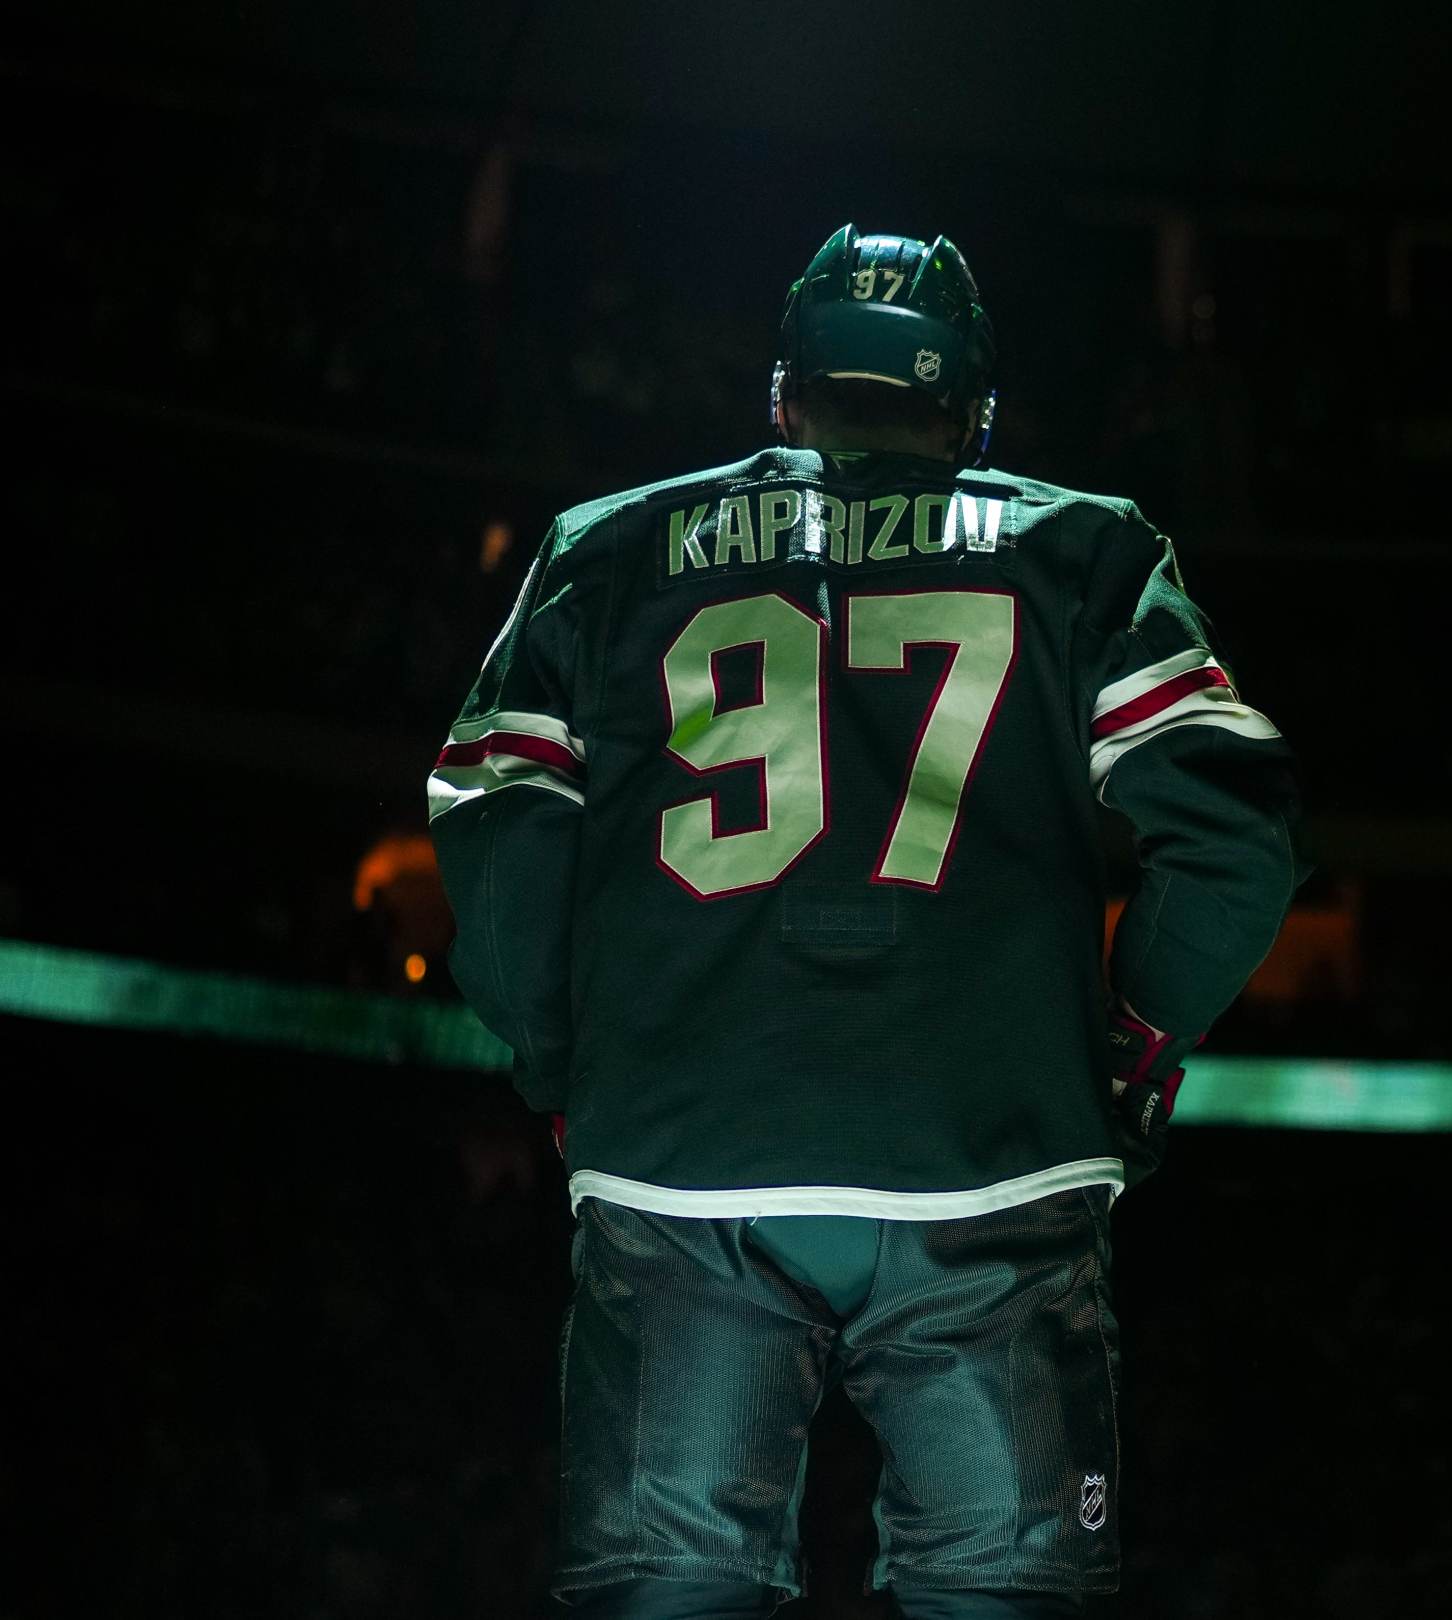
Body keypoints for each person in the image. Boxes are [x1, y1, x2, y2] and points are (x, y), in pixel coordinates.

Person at [428, 224, 1304, 1619]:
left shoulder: (609, 547)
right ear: (971, 409)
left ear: (785, 391)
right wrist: (1130, 1036)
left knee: (668, 1595)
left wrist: (563, 1059)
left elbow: (495, 830)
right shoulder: (1087, 547)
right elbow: (1237, 842)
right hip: (991, 1158)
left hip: (683, 1157)